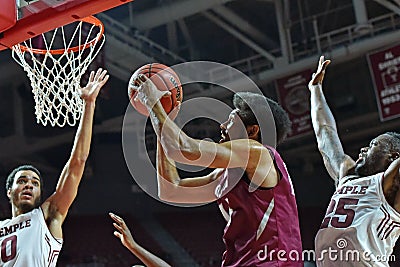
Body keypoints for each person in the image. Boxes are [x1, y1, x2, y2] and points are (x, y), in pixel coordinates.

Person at [132, 74, 303, 266]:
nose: (222, 125)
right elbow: (171, 190)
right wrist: (162, 123)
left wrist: (155, 105)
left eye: (231, 120)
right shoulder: (228, 174)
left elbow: (182, 149)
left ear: (252, 131)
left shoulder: (258, 153)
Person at [0, 68, 109, 266]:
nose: (29, 186)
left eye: (34, 183)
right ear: (9, 192)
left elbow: (77, 163)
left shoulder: (48, 215)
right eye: (22, 181)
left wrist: (89, 104)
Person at [309, 56, 400, 266]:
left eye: (374, 145)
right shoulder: (346, 175)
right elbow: (326, 134)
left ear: (393, 157)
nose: (363, 149)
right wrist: (315, 91)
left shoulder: (391, 185)